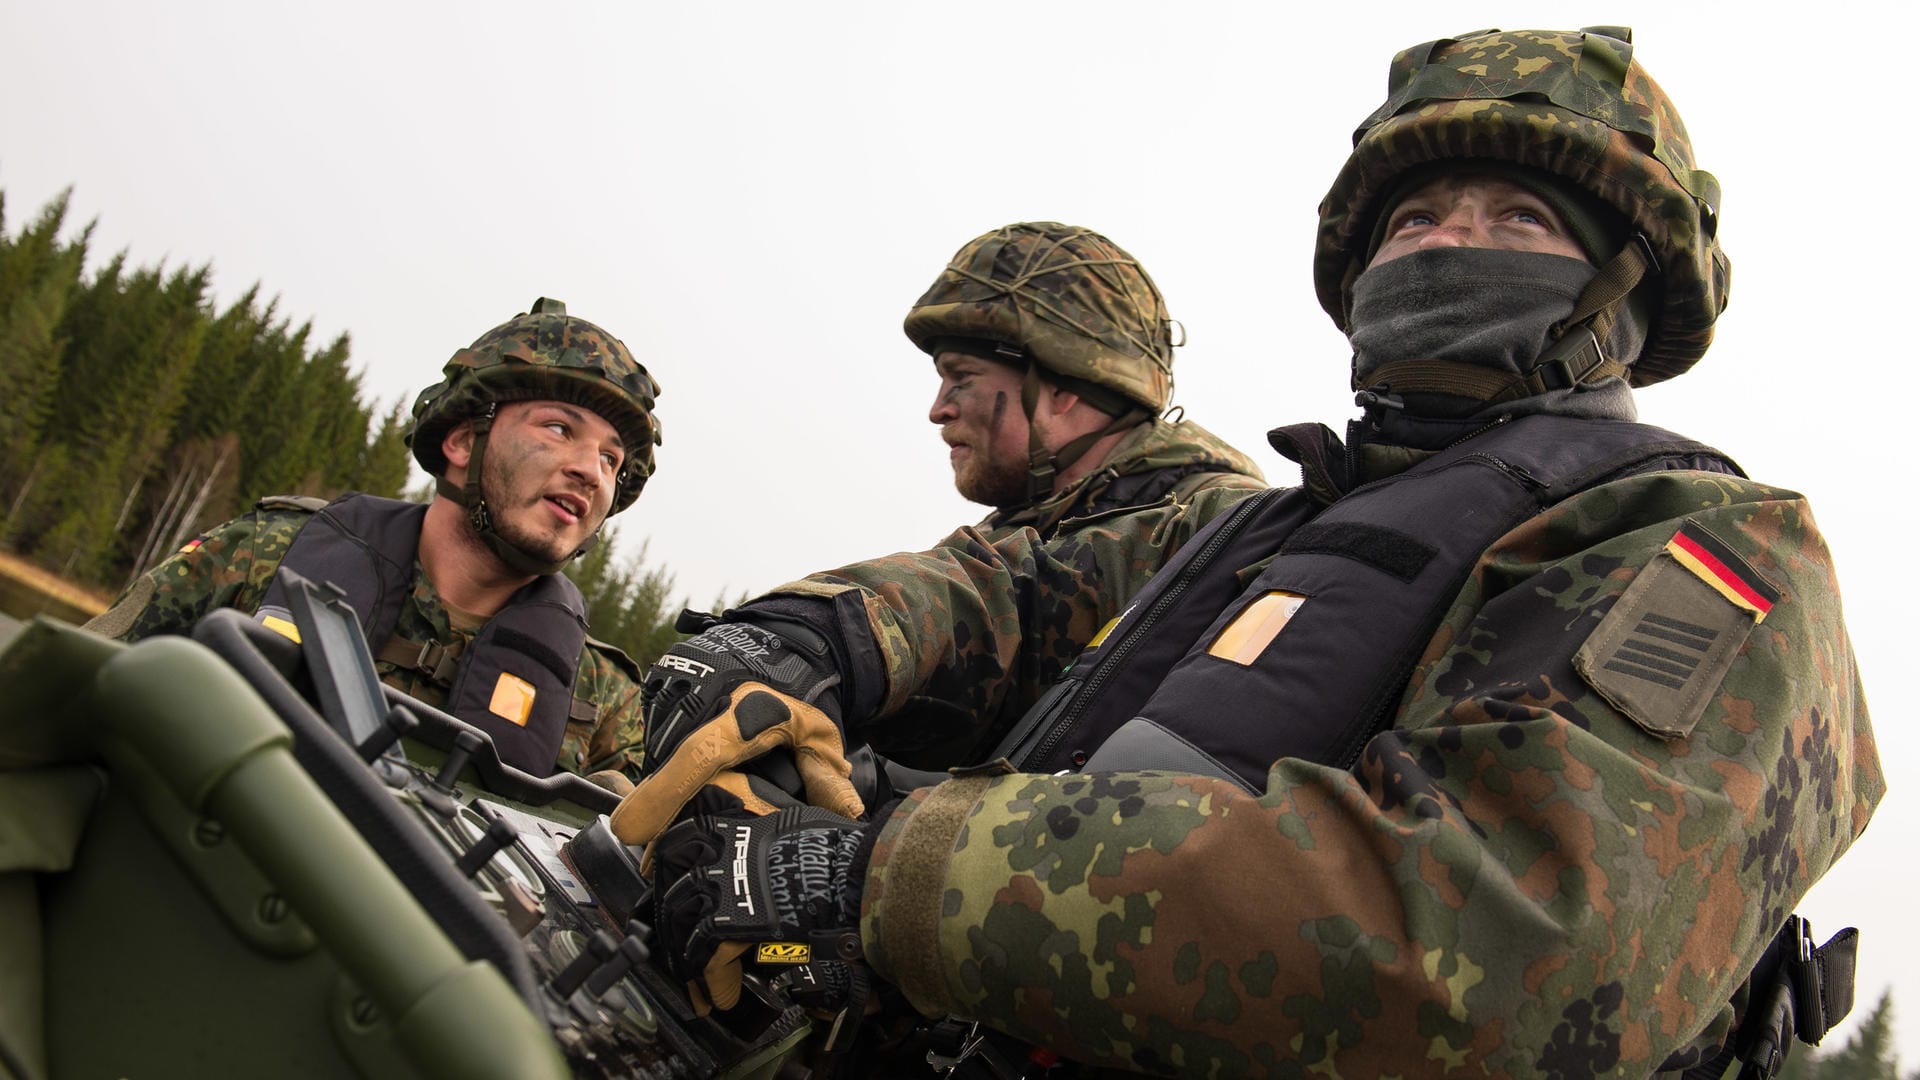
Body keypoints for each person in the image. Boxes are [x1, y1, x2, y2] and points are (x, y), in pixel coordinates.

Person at [622, 26, 1884, 1077]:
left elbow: (1510, 947)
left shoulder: (1705, 549)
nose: (1445, 240)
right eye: (1414, 216)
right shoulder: (1269, 530)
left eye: (1518, 216)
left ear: (1628, 287)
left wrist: (884, 883)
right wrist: (810, 656)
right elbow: (1016, 616)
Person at [87, 298, 663, 783]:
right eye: (559, 429)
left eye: (613, 460)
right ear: (464, 443)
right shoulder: (266, 555)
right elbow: (71, 692)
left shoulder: (601, 697)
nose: (592, 471)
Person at [914, 221, 1263, 542]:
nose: (938, 410)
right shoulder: (1008, 538)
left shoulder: (1224, 526)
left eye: (962, 377)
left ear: (1063, 385)